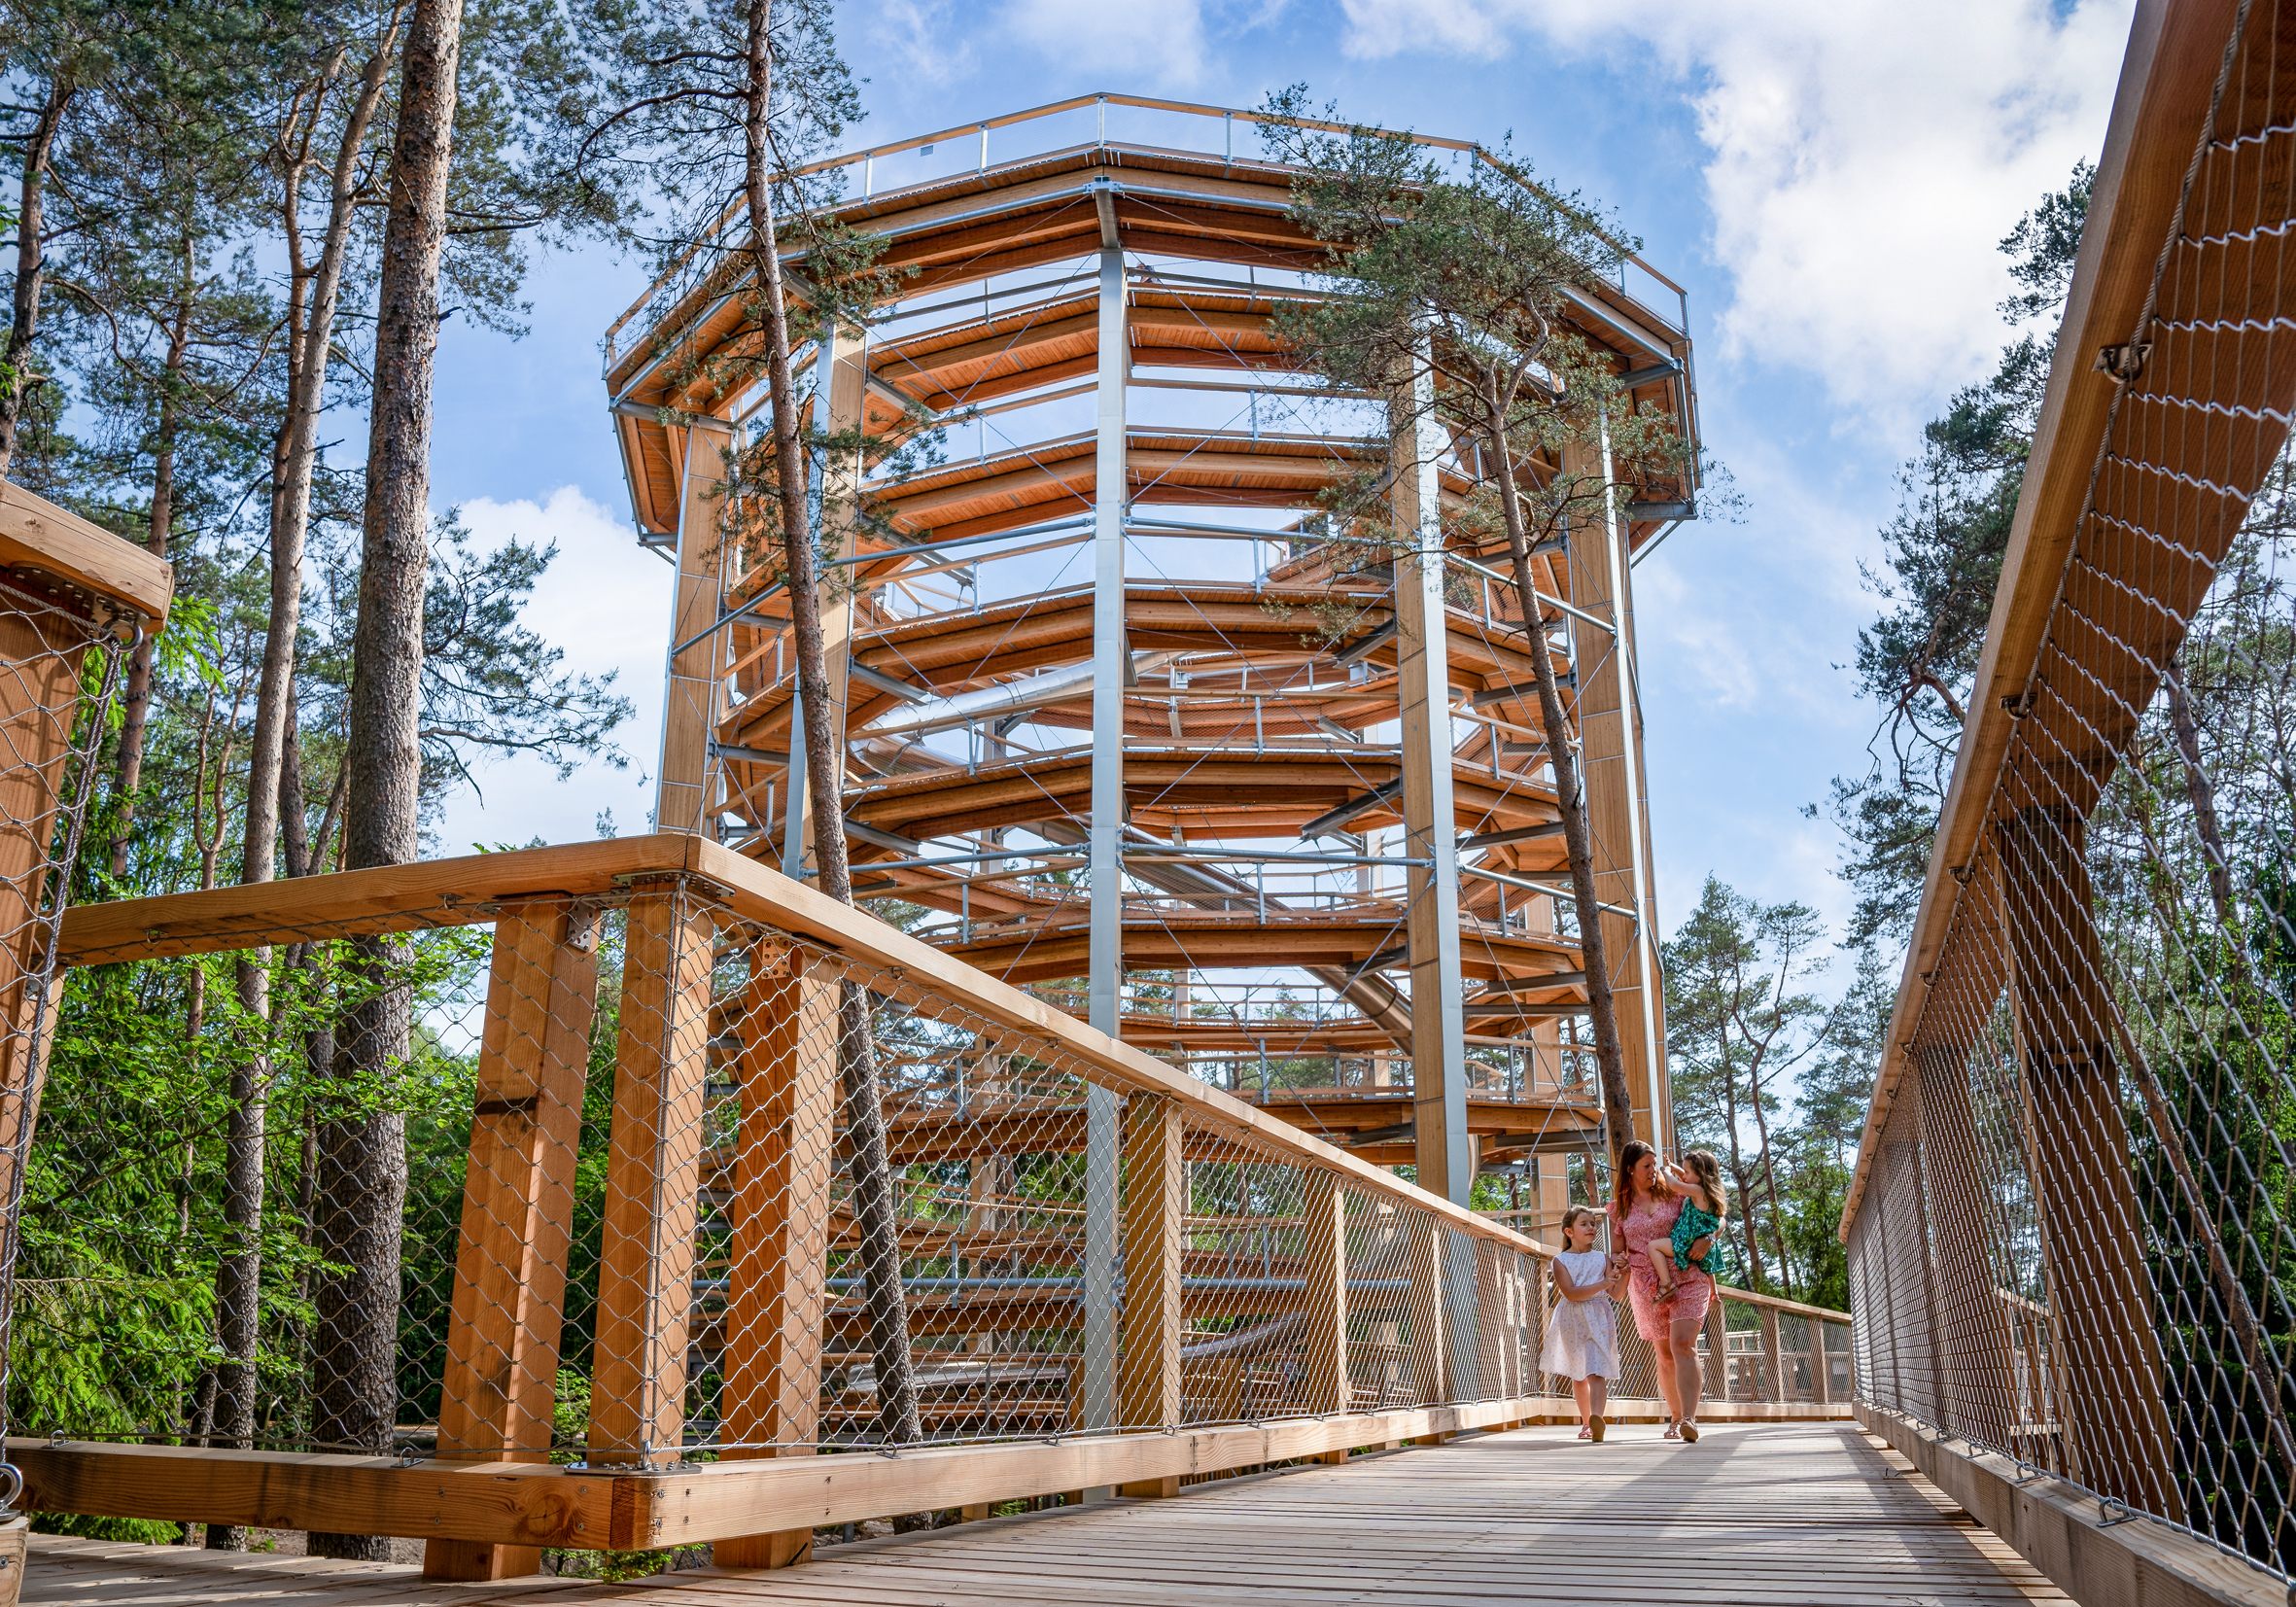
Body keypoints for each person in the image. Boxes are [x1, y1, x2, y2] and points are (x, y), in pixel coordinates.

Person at [1610, 1138, 1709, 1442]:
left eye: (1655, 1165)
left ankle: (1690, 1419)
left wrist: (1711, 1238)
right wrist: (1618, 1261)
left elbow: (1713, 1210)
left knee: (1683, 1345)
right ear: (1630, 1170)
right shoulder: (1619, 1209)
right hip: (1647, 1288)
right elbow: (1617, 1252)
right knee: (1665, 1354)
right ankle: (1676, 1418)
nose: (1654, 1171)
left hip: (1688, 1276)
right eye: (1646, 1166)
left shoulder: (1676, 1194)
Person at [1541, 1205, 1625, 1441]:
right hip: (1572, 1318)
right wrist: (1603, 1283)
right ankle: (1587, 1422)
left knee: (1596, 1370)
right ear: (1569, 1232)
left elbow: (1617, 1294)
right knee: (1579, 1374)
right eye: (1584, 1224)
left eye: (1593, 1224)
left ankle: (1597, 1418)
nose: (1591, 1228)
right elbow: (1571, 1293)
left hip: (1598, 1316)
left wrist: (1625, 1274)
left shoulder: (1601, 1258)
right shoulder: (1560, 1261)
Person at [1648, 1148, 1727, 1300]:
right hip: (1702, 1240)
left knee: (1653, 1246)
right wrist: (1673, 1166)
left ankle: (1666, 1283)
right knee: (1707, 1266)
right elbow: (1685, 1178)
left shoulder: (1698, 1191)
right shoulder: (1709, 1193)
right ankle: (1714, 1293)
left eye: (1687, 1172)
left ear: (1700, 1174)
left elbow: (1674, 1185)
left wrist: (1665, 1171)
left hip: (1687, 1242)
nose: (1684, 1176)